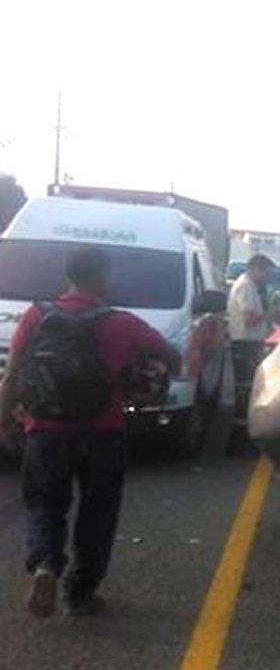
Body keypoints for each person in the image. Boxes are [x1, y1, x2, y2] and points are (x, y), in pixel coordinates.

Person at [0, 247, 180, 618]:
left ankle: (46, 566)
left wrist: (3, 418)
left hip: (45, 431)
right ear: (102, 277)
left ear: (67, 276)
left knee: (44, 506)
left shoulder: (35, 316)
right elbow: (171, 357)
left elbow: (13, 375)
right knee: (98, 514)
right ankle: (80, 594)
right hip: (103, 432)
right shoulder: (122, 323)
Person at [226, 254, 276, 455]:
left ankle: (242, 440)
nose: (265, 276)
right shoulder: (246, 287)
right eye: (265, 272)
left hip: (248, 344)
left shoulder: (249, 286)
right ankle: (239, 444)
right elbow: (250, 320)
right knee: (245, 393)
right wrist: (272, 313)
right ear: (255, 268)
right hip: (245, 345)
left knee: (246, 392)